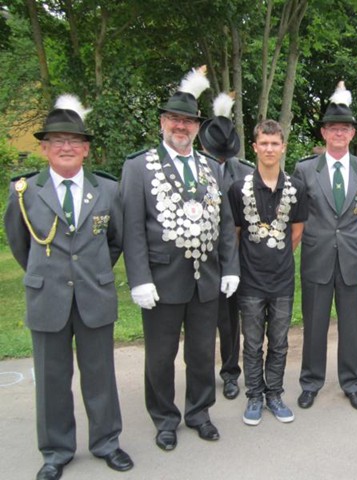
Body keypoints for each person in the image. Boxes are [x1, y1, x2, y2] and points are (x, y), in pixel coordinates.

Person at [4, 95, 133, 480]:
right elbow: (20, 244)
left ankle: (107, 442)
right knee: (51, 379)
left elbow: (115, 240)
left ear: (86, 149)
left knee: (100, 376)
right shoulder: (25, 191)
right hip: (48, 297)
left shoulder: (107, 189)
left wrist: (92, 271)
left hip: (95, 294)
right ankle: (56, 451)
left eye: (74, 141)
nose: (66, 147)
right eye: (57, 140)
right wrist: (48, 274)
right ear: (44, 148)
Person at [120, 68, 239, 451]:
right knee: (160, 357)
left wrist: (230, 268)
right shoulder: (139, 167)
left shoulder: (210, 167)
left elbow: (224, 222)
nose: (180, 126)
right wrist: (139, 278)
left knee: (202, 353)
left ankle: (199, 413)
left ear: (197, 127)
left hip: (206, 279)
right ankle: (164, 419)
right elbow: (132, 228)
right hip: (162, 279)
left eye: (188, 121)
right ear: (162, 122)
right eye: (174, 119)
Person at [293, 81, 357, 411]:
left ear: (352, 134)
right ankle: (310, 382)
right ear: (324, 133)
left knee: (352, 327)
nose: (339, 133)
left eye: (345, 128)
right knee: (314, 326)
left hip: (353, 261)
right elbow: (298, 216)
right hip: (317, 259)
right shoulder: (304, 169)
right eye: (333, 128)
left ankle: (352, 383)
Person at [227, 120, 308, 426]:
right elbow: (235, 235)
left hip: (282, 280)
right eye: (264, 143)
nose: (270, 149)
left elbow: (296, 233)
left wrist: (277, 256)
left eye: (275, 143)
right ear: (255, 147)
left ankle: (274, 393)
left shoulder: (296, 188)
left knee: (279, 342)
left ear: (283, 147)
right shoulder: (238, 189)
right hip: (249, 280)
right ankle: (254, 396)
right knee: (251, 343)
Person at [198, 92, 254, 400]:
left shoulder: (245, 172)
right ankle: (201, 374)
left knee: (231, 321)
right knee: (202, 321)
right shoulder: (194, 169)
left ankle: (231, 372)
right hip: (200, 257)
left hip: (236, 258)